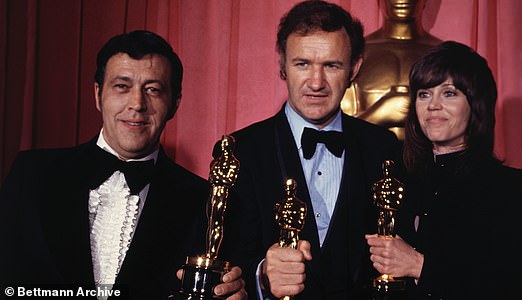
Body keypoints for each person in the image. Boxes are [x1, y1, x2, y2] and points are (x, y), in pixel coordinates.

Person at [0, 30, 246, 300]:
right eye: (122, 86)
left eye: (153, 89)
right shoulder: (32, 175)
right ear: (98, 94)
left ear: (175, 103)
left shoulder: (207, 205)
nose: (137, 104)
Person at [220, 1, 400, 299]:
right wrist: (262, 276)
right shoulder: (240, 151)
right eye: (302, 64)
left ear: (354, 67)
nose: (316, 83)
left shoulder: (383, 147)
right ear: (282, 64)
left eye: (331, 65)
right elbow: (224, 258)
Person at [366, 41, 522, 299]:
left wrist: (418, 265)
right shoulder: (397, 178)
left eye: (449, 93)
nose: (433, 105)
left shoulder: (508, 188)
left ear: (476, 105)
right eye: (424, 94)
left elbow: (513, 289)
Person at [340, 0, 441, 140]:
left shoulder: (447, 57)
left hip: (430, 159)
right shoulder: (356, 53)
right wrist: (382, 113)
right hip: (367, 158)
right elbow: (337, 132)